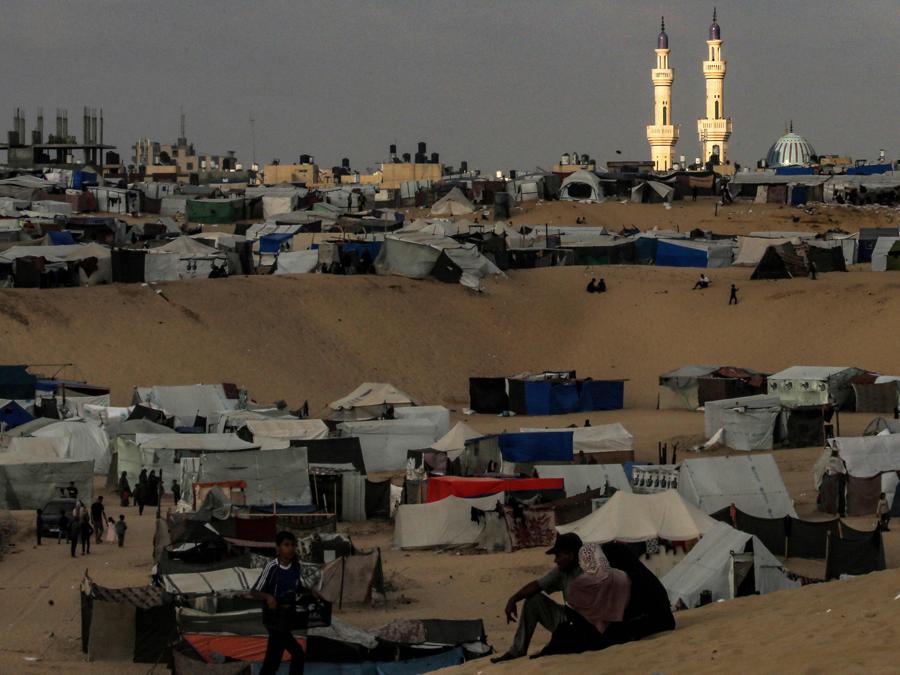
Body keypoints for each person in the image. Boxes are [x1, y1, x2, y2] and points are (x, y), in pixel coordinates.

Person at [491, 532, 584, 662]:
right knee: (534, 600)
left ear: (571, 555)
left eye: (558, 555)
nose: (555, 560)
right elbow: (537, 585)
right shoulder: (562, 571)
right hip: (567, 619)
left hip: (584, 626)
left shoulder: (588, 573)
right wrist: (514, 598)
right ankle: (517, 650)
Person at [535, 543, 632, 657]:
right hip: (615, 632)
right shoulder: (621, 576)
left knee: (563, 633)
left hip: (594, 635)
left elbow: (575, 615)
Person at [251, 531, 307, 675]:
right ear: (278, 548)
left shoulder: (296, 567)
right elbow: (254, 591)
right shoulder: (272, 567)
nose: (290, 548)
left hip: (286, 617)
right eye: (286, 545)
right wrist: (269, 597)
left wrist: (310, 591)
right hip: (273, 619)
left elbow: (297, 587)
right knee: (296, 653)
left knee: (273, 659)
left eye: (293, 545)